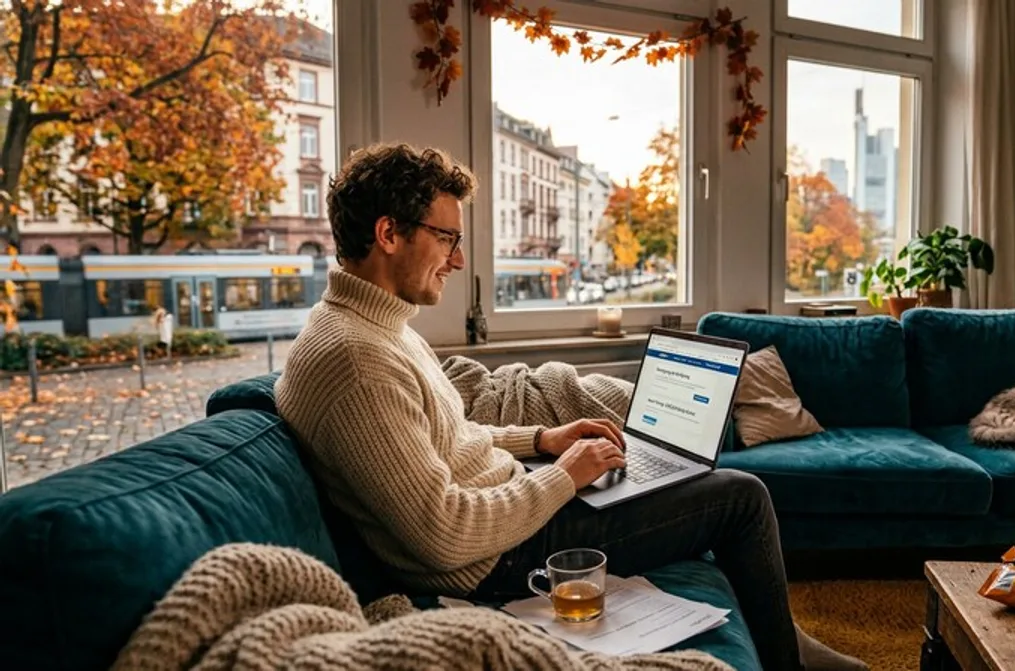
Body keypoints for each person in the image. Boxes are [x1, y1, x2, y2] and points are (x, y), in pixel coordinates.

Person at [274, 142, 866, 671]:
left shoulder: (377, 330)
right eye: (448, 238)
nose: (457, 260)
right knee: (739, 497)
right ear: (388, 234)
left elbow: (441, 439)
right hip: (496, 558)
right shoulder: (355, 359)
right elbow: (443, 534)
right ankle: (787, 656)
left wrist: (541, 442)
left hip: (509, 505)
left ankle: (776, 632)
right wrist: (564, 476)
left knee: (663, 477)